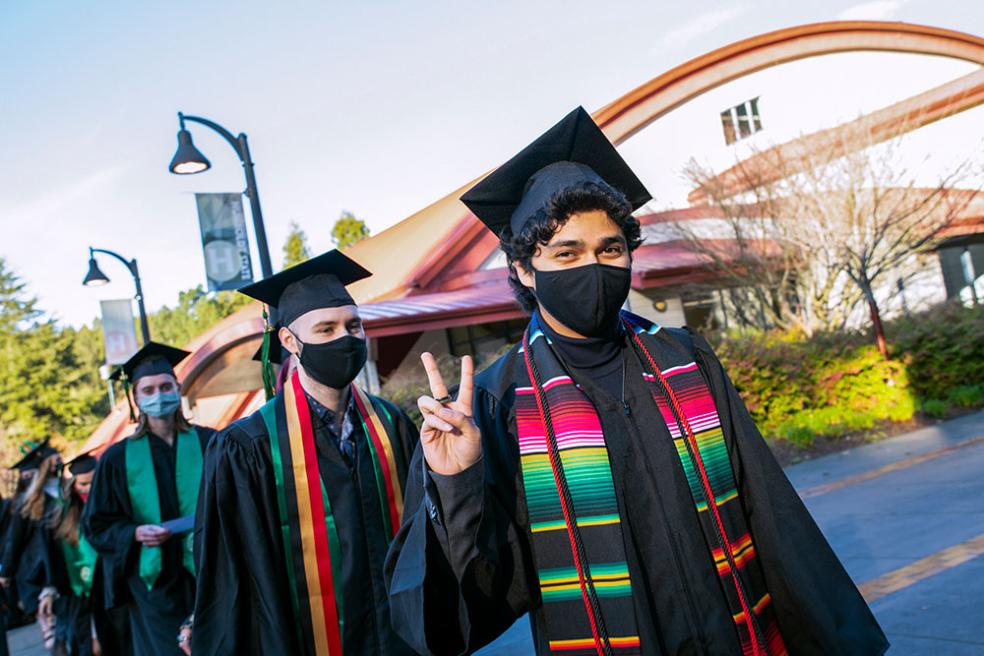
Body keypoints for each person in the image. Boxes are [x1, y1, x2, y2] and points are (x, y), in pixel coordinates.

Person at [384, 107, 889, 655]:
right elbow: (484, 594)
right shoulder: (495, 402)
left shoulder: (685, 359)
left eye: (610, 249)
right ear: (526, 270)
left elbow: (767, 511)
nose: (594, 267)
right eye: (566, 253)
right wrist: (459, 484)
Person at [193, 250, 419, 655]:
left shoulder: (391, 424)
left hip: (400, 639)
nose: (344, 339)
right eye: (325, 329)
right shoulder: (248, 448)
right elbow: (230, 580)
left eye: (354, 326)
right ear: (289, 340)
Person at [82, 343, 215, 656]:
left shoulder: (212, 441)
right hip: (153, 584)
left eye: (166, 386)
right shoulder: (117, 459)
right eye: (149, 389)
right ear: (137, 399)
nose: (159, 395)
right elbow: (96, 524)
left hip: (210, 570)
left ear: (177, 388)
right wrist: (134, 533)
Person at [1, 440, 62, 649]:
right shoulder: (24, 504)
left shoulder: (62, 492)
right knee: (51, 623)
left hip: (62, 563)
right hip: (36, 568)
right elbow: (13, 541)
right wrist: (6, 572)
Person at [46, 454, 100, 656]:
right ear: (73, 484)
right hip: (80, 592)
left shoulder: (111, 502)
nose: (88, 489)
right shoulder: (64, 514)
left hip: (111, 589)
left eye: (94, 482)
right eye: (83, 484)